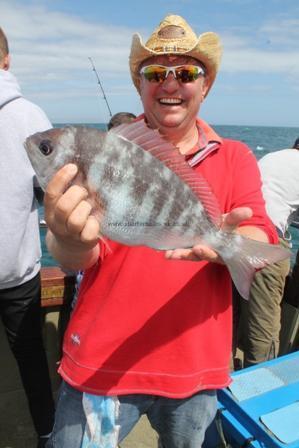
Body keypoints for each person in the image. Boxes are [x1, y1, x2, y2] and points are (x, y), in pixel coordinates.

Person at [44, 15, 279, 447]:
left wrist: (231, 246)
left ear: (205, 85)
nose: (171, 83)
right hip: (101, 364)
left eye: (187, 72)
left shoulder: (236, 157)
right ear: (140, 85)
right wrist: (66, 236)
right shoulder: (110, 152)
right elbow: (77, 257)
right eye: (156, 72)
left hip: (196, 370)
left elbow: (259, 232)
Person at [0, 27, 55, 448]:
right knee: (32, 359)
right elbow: (53, 192)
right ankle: (47, 431)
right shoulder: (30, 116)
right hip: (16, 272)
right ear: (7, 60)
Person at [234, 139, 299, 367]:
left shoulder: (273, 157)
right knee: (264, 320)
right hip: (265, 240)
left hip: (234, 233)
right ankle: (259, 381)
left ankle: (224, 381)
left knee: (231, 313)